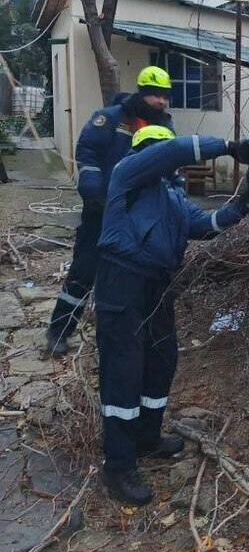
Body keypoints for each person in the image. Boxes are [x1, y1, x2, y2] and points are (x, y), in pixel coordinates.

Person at [95, 127, 249, 506]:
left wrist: (247, 202)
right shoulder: (127, 172)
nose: (166, 160)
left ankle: (146, 439)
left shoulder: (174, 197)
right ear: (148, 152)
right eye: (158, 152)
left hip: (159, 285)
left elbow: (207, 227)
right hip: (122, 280)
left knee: (161, 360)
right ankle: (118, 465)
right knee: (123, 369)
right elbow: (176, 149)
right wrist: (228, 147)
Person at [46, 66, 175, 355]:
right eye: (156, 95)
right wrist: (93, 189)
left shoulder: (165, 126)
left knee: (135, 277)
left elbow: (170, 163)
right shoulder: (112, 118)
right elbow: (88, 150)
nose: (162, 102)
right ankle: (59, 331)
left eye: (165, 96)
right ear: (141, 93)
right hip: (102, 210)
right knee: (84, 270)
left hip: (140, 217)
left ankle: (125, 338)